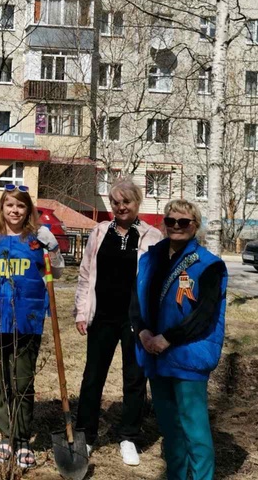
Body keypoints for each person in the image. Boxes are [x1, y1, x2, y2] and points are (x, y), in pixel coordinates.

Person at [0, 185, 63, 470]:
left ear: (28, 210)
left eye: (21, 206)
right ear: (1, 208)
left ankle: (23, 437)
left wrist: (52, 248)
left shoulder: (36, 241)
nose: (15, 211)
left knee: (22, 381)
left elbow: (58, 273)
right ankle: (6, 435)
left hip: (26, 322)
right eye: (9, 205)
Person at [131, 199, 227, 480]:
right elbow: (135, 300)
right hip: (155, 354)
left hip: (187, 355)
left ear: (195, 226)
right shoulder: (150, 259)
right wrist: (142, 331)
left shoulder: (209, 265)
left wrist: (168, 338)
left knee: (194, 429)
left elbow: (204, 314)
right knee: (169, 427)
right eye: (171, 221)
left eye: (183, 222)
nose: (176, 226)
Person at [73, 178, 162, 465]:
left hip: (136, 321)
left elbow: (158, 282)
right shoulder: (99, 232)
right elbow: (86, 274)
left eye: (127, 201)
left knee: (135, 378)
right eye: (116, 202)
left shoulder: (152, 236)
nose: (121, 207)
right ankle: (86, 435)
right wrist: (82, 312)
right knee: (92, 377)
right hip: (103, 317)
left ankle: (128, 437)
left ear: (137, 203)